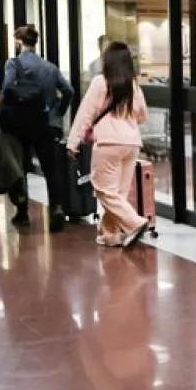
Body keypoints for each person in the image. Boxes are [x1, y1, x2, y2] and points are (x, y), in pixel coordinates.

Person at [66, 41, 150, 249]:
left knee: (104, 189)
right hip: (131, 143)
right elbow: (142, 116)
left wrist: (73, 142)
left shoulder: (100, 82)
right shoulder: (133, 85)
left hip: (108, 143)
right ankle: (110, 234)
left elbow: (86, 114)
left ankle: (134, 222)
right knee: (117, 192)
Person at [0, 26, 74, 231]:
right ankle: (57, 208)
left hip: (20, 126)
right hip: (47, 124)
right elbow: (68, 90)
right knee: (51, 169)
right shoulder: (49, 67)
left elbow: (6, 89)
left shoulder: (13, 64)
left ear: (18, 42)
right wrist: (58, 111)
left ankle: (22, 213)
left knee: (20, 168)